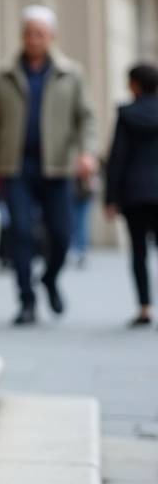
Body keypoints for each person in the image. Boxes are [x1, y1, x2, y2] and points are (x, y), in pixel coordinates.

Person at [0, 5, 97, 326]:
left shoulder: (71, 73)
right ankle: (25, 299)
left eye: (40, 33)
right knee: (21, 232)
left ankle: (50, 278)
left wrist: (87, 152)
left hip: (56, 166)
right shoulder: (5, 75)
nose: (34, 39)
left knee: (61, 234)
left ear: (51, 37)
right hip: (16, 166)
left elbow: (86, 117)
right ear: (22, 36)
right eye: (29, 32)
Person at [105, 63, 158, 328]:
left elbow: (117, 159)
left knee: (138, 251)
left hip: (135, 193)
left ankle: (145, 308)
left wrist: (110, 197)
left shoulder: (126, 115)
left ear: (136, 84)